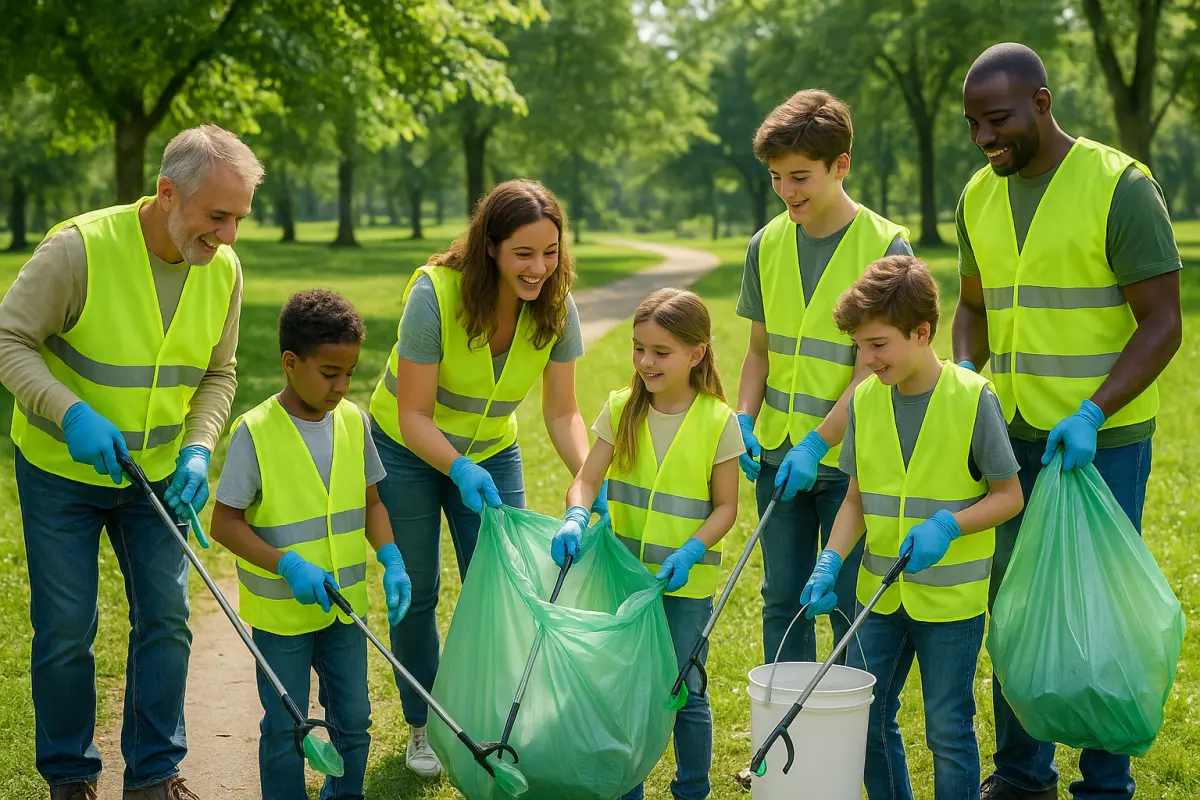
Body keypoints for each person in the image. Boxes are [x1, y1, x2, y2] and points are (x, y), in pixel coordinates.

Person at [0, 125, 262, 800]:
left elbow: (220, 374)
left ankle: (153, 775)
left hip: (158, 480)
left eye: (239, 218)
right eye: (217, 216)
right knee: (65, 628)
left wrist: (200, 450)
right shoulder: (78, 250)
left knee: (167, 618)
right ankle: (70, 777)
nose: (229, 235)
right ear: (167, 193)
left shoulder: (223, 269)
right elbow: (10, 340)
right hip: (61, 471)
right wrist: (71, 413)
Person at [954, 43, 1183, 800]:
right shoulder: (977, 198)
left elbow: (1162, 324)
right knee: (1017, 608)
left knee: (1097, 614)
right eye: (974, 125)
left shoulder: (1120, 187)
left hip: (1098, 444)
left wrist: (1093, 411)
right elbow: (974, 308)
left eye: (998, 120)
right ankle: (1021, 775)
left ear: (1042, 105)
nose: (986, 138)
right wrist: (962, 383)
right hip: (1012, 438)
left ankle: (1104, 783)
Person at [367, 179, 606, 776]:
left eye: (550, 252)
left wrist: (592, 480)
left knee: (508, 590)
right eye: (524, 254)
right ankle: (423, 727)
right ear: (491, 246)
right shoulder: (434, 294)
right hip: (406, 450)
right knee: (419, 593)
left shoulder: (558, 304)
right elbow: (412, 413)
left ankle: (497, 718)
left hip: (492, 451)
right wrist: (456, 465)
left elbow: (563, 412)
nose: (539, 268)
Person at [801, 255, 1024, 800]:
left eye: (879, 344)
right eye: (860, 346)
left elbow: (1009, 496)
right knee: (868, 723)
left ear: (922, 333)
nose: (867, 359)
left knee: (948, 731)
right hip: (878, 596)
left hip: (951, 604)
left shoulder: (973, 399)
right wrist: (829, 559)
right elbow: (854, 497)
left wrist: (949, 525)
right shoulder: (866, 401)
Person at [209, 290, 411, 800]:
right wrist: (286, 564)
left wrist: (391, 559)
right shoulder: (254, 432)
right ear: (290, 362)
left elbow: (371, 505)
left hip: (345, 611)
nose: (342, 386)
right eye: (329, 373)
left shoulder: (354, 421)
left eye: (350, 373)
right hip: (282, 617)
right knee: (286, 728)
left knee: (355, 721)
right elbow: (225, 523)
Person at [736, 88, 913, 667]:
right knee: (780, 599)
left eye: (800, 177)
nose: (786, 192)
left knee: (838, 602)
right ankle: (780, 739)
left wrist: (819, 441)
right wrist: (743, 415)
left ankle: (843, 739)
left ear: (841, 166)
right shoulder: (764, 245)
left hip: (848, 464)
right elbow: (759, 349)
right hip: (778, 458)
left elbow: (874, 368)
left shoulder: (887, 248)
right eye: (775, 177)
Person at [551, 287, 741, 800]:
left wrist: (691, 551)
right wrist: (575, 514)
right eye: (639, 348)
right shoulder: (621, 409)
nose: (645, 362)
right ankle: (624, 789)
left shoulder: (718, 421)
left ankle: (692, 790)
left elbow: (727, 507)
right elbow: (587, 480)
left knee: (684, 690)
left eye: (660, 352)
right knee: (621, 690)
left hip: (683, 584)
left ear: (696, 353)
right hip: (623, 578)